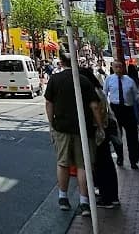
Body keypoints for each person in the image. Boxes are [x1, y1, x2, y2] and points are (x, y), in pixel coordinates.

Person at [44, 52, 104, 217]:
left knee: (62, 162)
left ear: (61, 63)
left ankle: (63, 197)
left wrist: (51, 124)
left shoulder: (55, 80)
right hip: (84, 128)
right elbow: (94, 106)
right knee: (83, 165)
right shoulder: (83, 80)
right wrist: (100, 126)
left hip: (61, 127)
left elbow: (48, 103)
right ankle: (84, 202)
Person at [80, 67, 120, 209]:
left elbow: (95, 109)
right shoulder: (100, 91)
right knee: (107, 164)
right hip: (104, 130)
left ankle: (107, 198)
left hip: (98, 132)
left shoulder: (92, 93)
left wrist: (100, 127)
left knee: (101, 164)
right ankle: (112, 196)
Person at [103, 60, 139, 169]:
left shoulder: (129, 81)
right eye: (116, 67)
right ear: (113, 68)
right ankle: (120, 157)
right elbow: (104, 94)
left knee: (132, 136)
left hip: (128, 109)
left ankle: (134, 160)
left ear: (123, 68)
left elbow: (136, 96)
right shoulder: (109, 79)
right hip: (115, 109)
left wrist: (137, 110)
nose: (118, 69)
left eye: (120, 67)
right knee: (116, 136)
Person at [127, 63, 139, 130]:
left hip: (131, 96)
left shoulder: (128, 79)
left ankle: (135, 124)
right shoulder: (137, 79)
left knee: (133, 110)